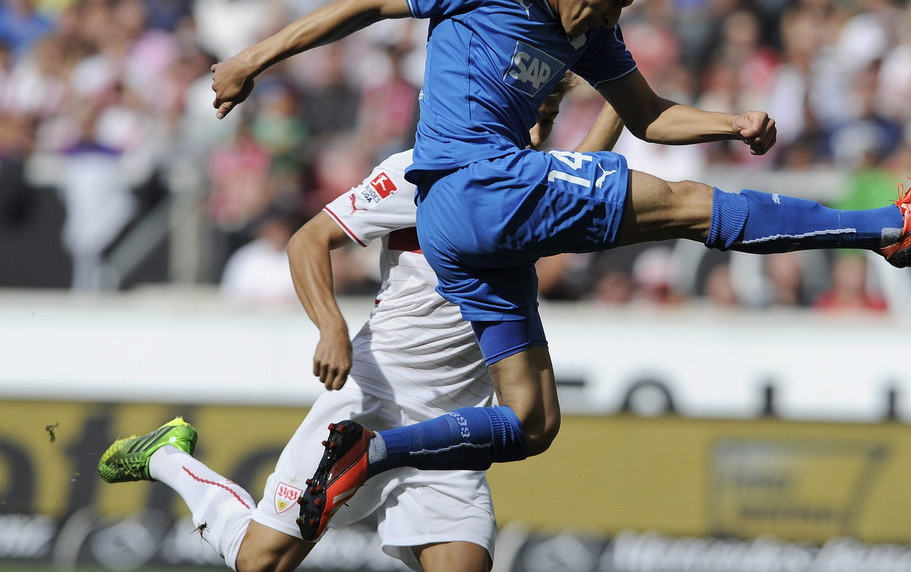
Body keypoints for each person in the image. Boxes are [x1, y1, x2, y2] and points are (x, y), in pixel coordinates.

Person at [209, 0, 911, 541]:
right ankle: (887, 228)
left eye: (621, 11)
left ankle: (370, 454)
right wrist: (253, 57)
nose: (608, 19)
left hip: (476, 232)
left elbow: (645, 113)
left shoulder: (591, 32)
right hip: (475, 184)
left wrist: (730, 122)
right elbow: (365, 5)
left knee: (534, 421)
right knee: (684, 207)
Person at [97, 79, 622, 572]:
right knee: (261, 561)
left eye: (548, 118)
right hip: (371, 399)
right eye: (530, 115)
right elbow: (308, 239)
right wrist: (331, 327)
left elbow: (587, 175)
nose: (536, 133)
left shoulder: (539, 181)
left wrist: (625, 93)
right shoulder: (423, 171)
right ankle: (166, 456)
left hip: (453, 426)